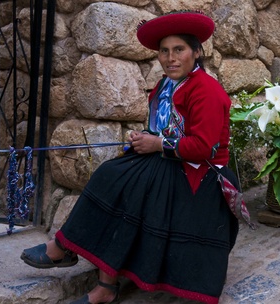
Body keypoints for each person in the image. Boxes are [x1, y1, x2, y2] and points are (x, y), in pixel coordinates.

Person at [20, 10, 241, 304]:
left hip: (201, 174)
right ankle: (81, 262)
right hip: (172, 162)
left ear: (196, 52)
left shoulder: (207, 90)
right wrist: (144, 139)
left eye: (179, 49)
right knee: (110, 174)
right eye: (164, 51)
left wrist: (157, 143)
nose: (171, 58)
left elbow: (202, 147)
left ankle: (89, 273)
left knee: (131, 189)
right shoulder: (166, 85)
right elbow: (162, 128)